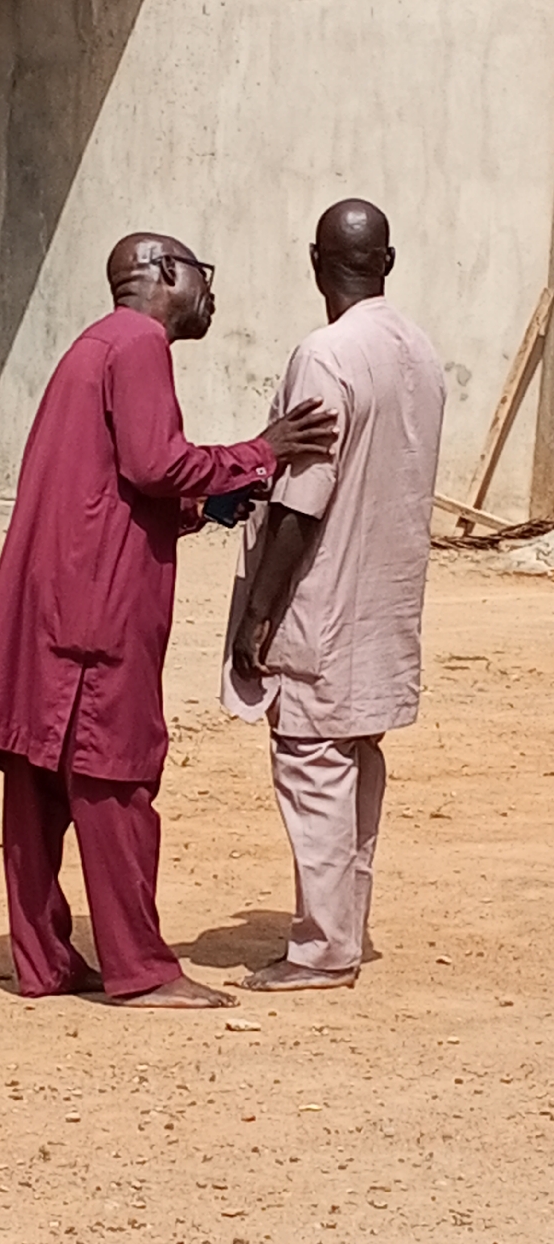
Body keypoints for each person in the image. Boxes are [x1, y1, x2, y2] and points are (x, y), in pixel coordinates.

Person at [0, 231, 337, 1009]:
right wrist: (258, 452)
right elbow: (154, 463)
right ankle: (142, 970)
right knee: (115, 777)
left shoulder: (91, 348)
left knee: (40, 782)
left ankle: (45, 962)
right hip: (99, 609)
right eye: (202, 275)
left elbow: (113, 485)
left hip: (53, 595)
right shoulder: (137, 344)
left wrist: (204, 502)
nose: (210, 293)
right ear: (166, 271)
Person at [221, 200, 445, 991]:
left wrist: (258, 612)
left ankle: (322, 949)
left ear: (316, 262)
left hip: (324, 597)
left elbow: (300, 502)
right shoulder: (420, 350)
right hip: (386, 597)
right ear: (389, 262)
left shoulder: (324, 355)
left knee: (312, 759)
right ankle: (342, 930)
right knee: (356, 757)